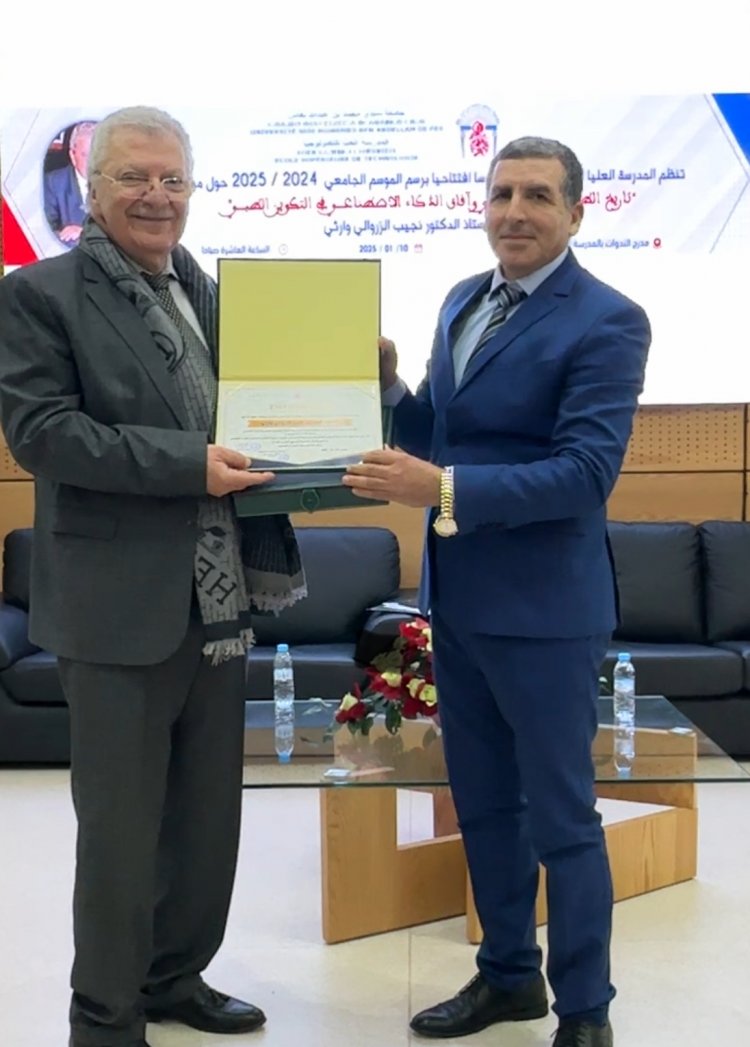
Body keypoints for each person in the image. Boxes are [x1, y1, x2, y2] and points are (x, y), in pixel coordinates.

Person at [0, 106, 306, 1047]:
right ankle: (105, 1012)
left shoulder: (211, 295)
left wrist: (346, 382)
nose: (156, 196)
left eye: (173, 179)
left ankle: (175, 977)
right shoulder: (39, 294)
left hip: (219, 597)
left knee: (206, 822)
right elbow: (43, 433)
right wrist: (188, 465)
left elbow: (272, 404)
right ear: (92, 190)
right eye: (134, 176)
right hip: (116, 609)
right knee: (122, 832)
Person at [343, 136, 651, 1047]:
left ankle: (586, 1010)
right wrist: (390, 387)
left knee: (563, 819)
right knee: (483, 806)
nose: (515, 211)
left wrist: (440, 490)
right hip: (460, 603)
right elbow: (438, 431)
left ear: (577, 214)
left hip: (547, 613)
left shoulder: (608, 319)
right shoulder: (461, 301)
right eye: (501, 193)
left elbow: (584, 474)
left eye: (538, 196)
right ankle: (509, 976)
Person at [43, 120, 97, 246]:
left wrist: (85, 232)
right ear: (72, 155)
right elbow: (41, 232)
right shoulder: (53, 183)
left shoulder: (115, 182)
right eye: (85, 155)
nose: (92, 162)